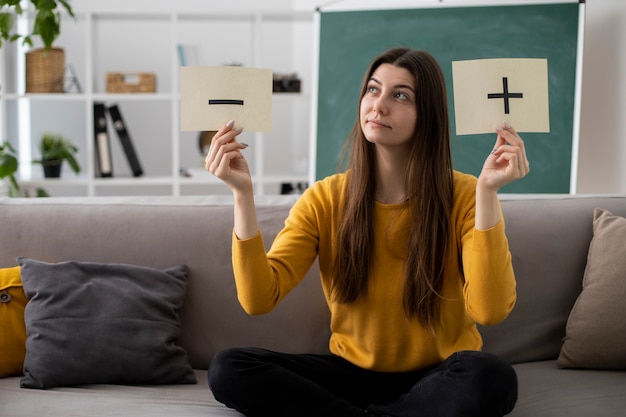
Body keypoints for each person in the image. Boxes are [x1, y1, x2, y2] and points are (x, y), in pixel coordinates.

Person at [205, 47, 529, 417]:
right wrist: (242, 193)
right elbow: (258, 299)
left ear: (428, 115)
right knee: (229, 368)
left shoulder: (467, 195)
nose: (378, 106)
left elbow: (488, 311)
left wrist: (487, 193)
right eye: (373, 90)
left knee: (493, 377)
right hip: (350, 375)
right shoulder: (325, 198)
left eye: (400, 95)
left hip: (439, 376)